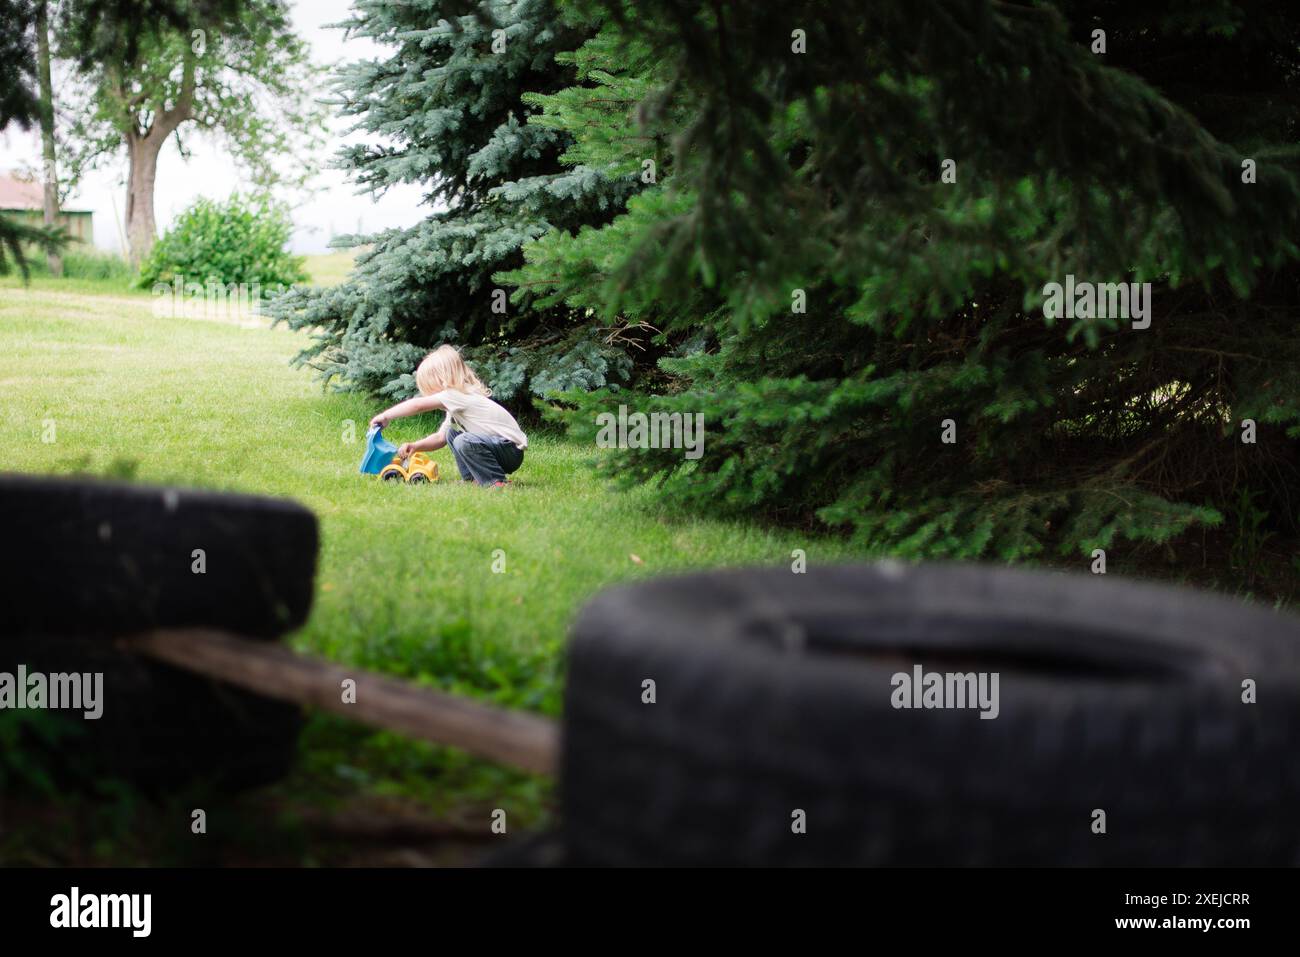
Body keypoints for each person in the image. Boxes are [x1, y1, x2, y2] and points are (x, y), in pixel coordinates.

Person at [369, 345, 527, 486]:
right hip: (498, 448)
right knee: (452, 433)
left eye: (428, 387)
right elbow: (440, 438)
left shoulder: (456, 395)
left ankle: (496, 482)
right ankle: (473, 479)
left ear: (441, 379)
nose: (428, 395)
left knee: (464, 440)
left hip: (510, 451)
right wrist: (416, 446)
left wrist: (386, 416)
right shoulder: (456, 405)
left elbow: (417, 405)